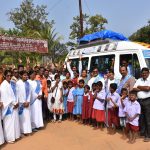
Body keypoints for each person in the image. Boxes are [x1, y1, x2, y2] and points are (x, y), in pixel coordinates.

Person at [0, 70, 20, 143]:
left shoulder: (13, 83)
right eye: (7, 75)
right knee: (9, 123)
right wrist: (13, 104)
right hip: (8, 107)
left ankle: (16, 136)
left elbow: (17, 93)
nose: (9, 77)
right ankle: (9, 138)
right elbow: (5, 98)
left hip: (14, 105)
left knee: (15, 122)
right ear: (5, 76)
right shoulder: (3, 85)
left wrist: (17, 102)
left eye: (10, 75)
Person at [133, 67, 150, 142]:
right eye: (143, 73)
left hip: (147, 101)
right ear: (141, 73)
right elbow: (134, 88)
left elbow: (148, 89)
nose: (144, 74)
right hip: (140, 101)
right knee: (141, 118)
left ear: (148, 73)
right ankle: (142, 133)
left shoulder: (149, 80)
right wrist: (143, 88)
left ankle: (148, 135)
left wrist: (139, 87)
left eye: (146, 73)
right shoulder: (139, 80)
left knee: (148, 119)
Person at [17, 71, 32, 135]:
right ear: (21, 76)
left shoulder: (28, 83)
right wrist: (23, 102)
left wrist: (28, 101)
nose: (26, 76)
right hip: (21, 104)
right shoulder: (18, 83)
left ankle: (27, 130)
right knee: (22, 118)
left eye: (26, 75)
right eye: (24, 75)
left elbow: (30, 93)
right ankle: (22, 131)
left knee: (27, 117)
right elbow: (18, 94)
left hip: (27, 103)